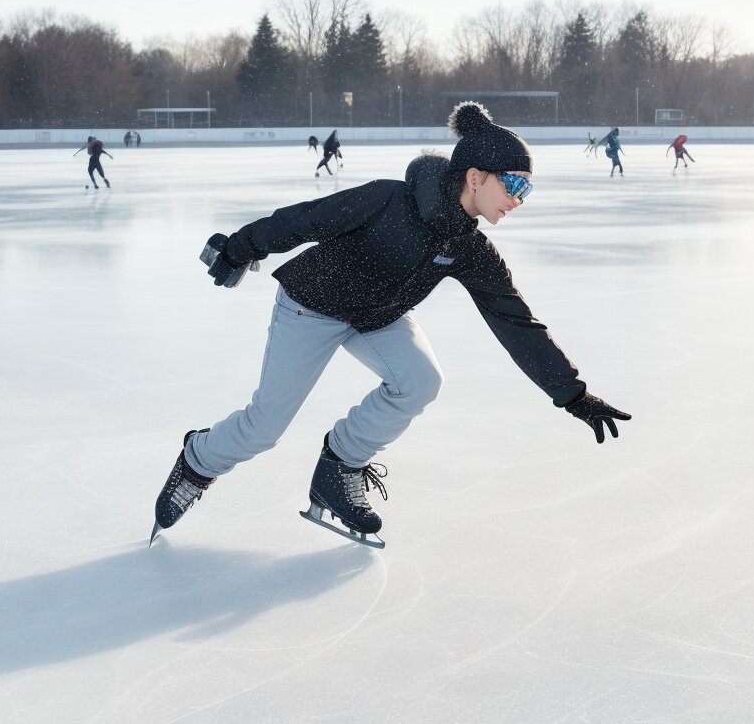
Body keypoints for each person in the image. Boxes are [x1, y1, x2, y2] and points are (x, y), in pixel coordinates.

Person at [150, 101, 632, 549]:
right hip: (311, 306)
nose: (519, 200)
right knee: (265, 427)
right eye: (515, 185)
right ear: (475, 176)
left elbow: (515, 320)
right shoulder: (388, 201)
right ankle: (198, 461)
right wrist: (240, 247)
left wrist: (573, 395)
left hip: (378, 317)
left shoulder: (468, 248)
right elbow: (305, 221)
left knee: (422, 381)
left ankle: (341, 465)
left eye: (528, 189)